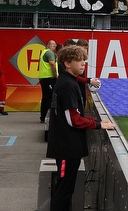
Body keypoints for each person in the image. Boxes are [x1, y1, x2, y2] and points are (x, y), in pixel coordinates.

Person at [47, 45, 115, 211]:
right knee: (64, 188)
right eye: (79, 60)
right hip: (66, 148)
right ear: (67, 63)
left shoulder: (66, 80)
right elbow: (74, 120)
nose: (83, 63)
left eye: (84, 60)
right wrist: (98, 124)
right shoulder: (68, 85)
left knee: (66, 186)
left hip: (66, 147)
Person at [38, 39, 58, 124]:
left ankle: (43, 117)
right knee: (50, 98)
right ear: (48, 45)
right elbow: (52, 64)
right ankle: (50, 118)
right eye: (52, 44)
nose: (55, 45)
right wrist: (55, 75)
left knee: (45, 98)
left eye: (55, 44)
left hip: (44, 78)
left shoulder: (44, 52)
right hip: (49, 78)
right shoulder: (49, 53)